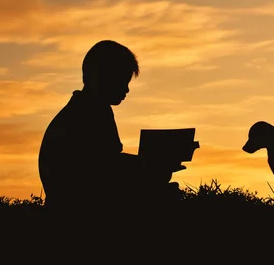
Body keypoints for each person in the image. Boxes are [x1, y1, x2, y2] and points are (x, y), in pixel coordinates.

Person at [38, 40, 182, 218]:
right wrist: (149, 166)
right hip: (79, 208)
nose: (127, 89)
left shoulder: (88, 109)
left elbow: (108, 165)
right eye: (122, 81)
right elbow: (104, 171)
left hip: (78, 201)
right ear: (103, 77)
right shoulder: (88, 114)